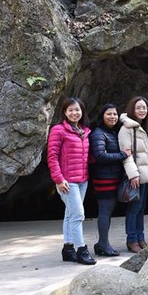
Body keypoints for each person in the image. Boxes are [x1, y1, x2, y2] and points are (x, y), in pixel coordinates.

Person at [46, 97, 95, 264]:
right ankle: (81, 250)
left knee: (70, 214)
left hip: (83, 179)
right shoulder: (58, 130)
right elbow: (52, 157)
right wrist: (59, 179)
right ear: (65, 112)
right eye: (71, 110)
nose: (75, 113)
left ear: (82, 112)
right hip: (67, 181)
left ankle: (68, 249)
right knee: (78, 215)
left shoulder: (84, 131)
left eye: (77, 110)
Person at [89, 103, 130, 257]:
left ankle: (101, 244)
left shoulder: (113, 132)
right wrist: (122, 155)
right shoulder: (99, 133)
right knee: (105, 211)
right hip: (103, 178)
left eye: (114, 114)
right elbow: (100, 156)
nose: (112, 117)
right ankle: (104, 244)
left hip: (113, 177)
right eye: (109, 114)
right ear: (102, 116)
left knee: (108, 211)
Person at [118, 96, 148, 253]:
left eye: (145, 108)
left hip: (144, 175)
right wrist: (133, 175)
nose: (142, 110)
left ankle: (140, 238)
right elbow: (126, 154)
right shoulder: (126, 129)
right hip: (136, 176)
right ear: (132, 109)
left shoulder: (143, 128)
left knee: (141, 208)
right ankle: (131, 239)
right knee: (134, 209)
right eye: (139, 107)